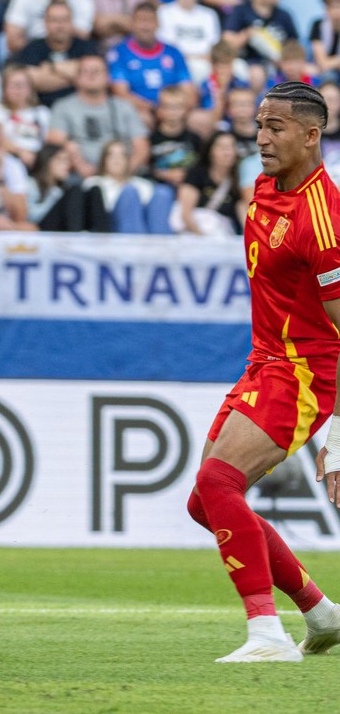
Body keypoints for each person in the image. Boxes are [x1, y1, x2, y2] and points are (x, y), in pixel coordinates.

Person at [183, 81, 340, 663]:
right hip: (264, 362)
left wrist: (338, 437)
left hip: (305, 372)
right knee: (206, 502)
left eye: (276, 127)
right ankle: (322, 614)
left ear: (311, 135)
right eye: (259, 125)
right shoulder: (265, 186)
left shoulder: (324, 220)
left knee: (219, 483)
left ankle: (266, 634)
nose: (262, 137)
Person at [46, 55, 149, 179]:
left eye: (97, 71)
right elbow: (55, 142)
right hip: (78, 175)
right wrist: (80, 165)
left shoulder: (124, 107)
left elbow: (141, 146)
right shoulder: (63, 106)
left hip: (124, 174)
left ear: (108, 77)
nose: (91, 75)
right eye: (86, 71)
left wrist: (124, 172)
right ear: (76, 78)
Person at [107, 1, 196, 131]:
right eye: (140, 20)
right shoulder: (119, 53)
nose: (145, 26)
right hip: (142, 111)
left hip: (174, 109)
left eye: (150, 21)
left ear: (158, 24)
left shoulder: (173, 52)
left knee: (199, 120)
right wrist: (154, 108)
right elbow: (120, 93)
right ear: (132, 23)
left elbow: (189, 91)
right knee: (142, 120)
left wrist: (175, 109)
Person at [9, 1, 97, 108]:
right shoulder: (33, 48)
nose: (60, 25)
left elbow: (94, 79)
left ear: (72, 22)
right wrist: (74, 74)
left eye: (64, 20)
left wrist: (51, 67)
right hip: (41, 108)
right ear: (45, 23)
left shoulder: (86, 47)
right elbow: (30, 82)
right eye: (54, 20)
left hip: (81, 108)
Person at [82, 139, 173, 234]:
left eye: (121, 155)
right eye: (111, 155)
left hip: (147, 226)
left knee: (163, 192)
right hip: (111, 227)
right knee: (130, 192)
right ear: (104, 159)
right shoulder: (93, 183)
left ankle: (161, 244)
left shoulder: (143, 184)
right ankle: (135, 243)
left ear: (128, 160)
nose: (116, 159)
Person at [170, 129, 242, 237]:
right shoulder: (196, 175)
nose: (227, 152)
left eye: (231, 147)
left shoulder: (239, 179)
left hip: (225, 235)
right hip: (196, 234)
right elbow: (185, 214)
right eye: (221, 147)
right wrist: (204, 239)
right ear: (210, 151)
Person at [0, 64, 50, 169]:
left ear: (31, 88)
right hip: (8, 157)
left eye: (22, 85)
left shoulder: (42, 112)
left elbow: (47, 141)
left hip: (38, 159)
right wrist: (20, 152)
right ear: (4, 88)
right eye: (14, 85)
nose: (18, 89)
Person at [311, 0, 340, 85]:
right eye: (331, 6)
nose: (336, 11)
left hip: (324, 70)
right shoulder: (318, 25)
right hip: (324, 72)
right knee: (328, 75)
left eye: (338, 6)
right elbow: (322, 63)